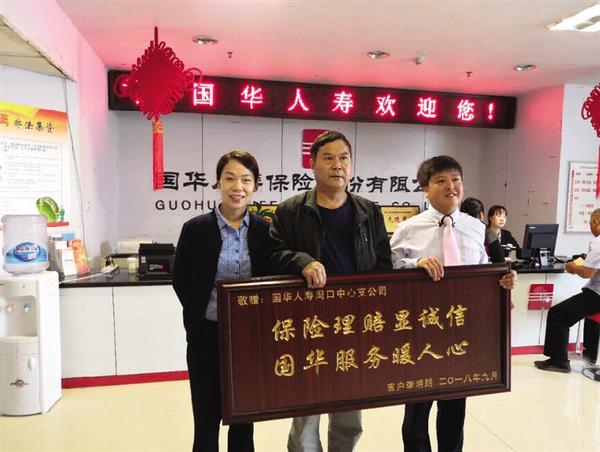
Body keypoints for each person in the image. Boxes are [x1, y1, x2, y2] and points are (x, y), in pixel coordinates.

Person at [267, 130, 392, 452]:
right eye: (328, 158)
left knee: (350, 406)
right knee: (307, 409)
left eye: (344, 158)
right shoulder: (291, 211)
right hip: (309, 322)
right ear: (312, 165)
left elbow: (383, 264)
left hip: (356, 322)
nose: (337, 165)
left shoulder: (368, 211)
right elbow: (272, 255)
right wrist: (302, 261)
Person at [390, 155, 516, 452]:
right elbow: (389, 269)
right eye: (441, 181)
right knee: (416, 411)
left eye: (456, 180)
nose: (451, 186)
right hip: (420, 330)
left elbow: (486, 271)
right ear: (426, 189)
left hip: (462, 330)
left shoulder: (477, 228)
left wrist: (503, 281)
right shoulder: (407, 228)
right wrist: (416, 263)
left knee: (454, 410)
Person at [172, 151, 270, 452]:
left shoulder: (265, 230)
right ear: (218, 182)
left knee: (243, 416)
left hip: (249, 339)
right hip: (206, 334)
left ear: (255, 185)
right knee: (206, 417)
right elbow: (181, 280)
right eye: (230, 178)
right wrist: (200, 312)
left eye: (246, 180)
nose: (237, 187)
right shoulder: (195, 229)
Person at [535, 208, 600, 373]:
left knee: (558, 314)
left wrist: (572, 267)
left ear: (595, 222)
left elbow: (587, 273)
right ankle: (577, 356)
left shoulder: (598, 242)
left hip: (597, 295)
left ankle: (559, 362)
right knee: (563, 313)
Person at [460, 197, 505, 263]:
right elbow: (500, 262)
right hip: (481, 268)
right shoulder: (487, 231)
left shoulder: (452, 229)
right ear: (481, 215)